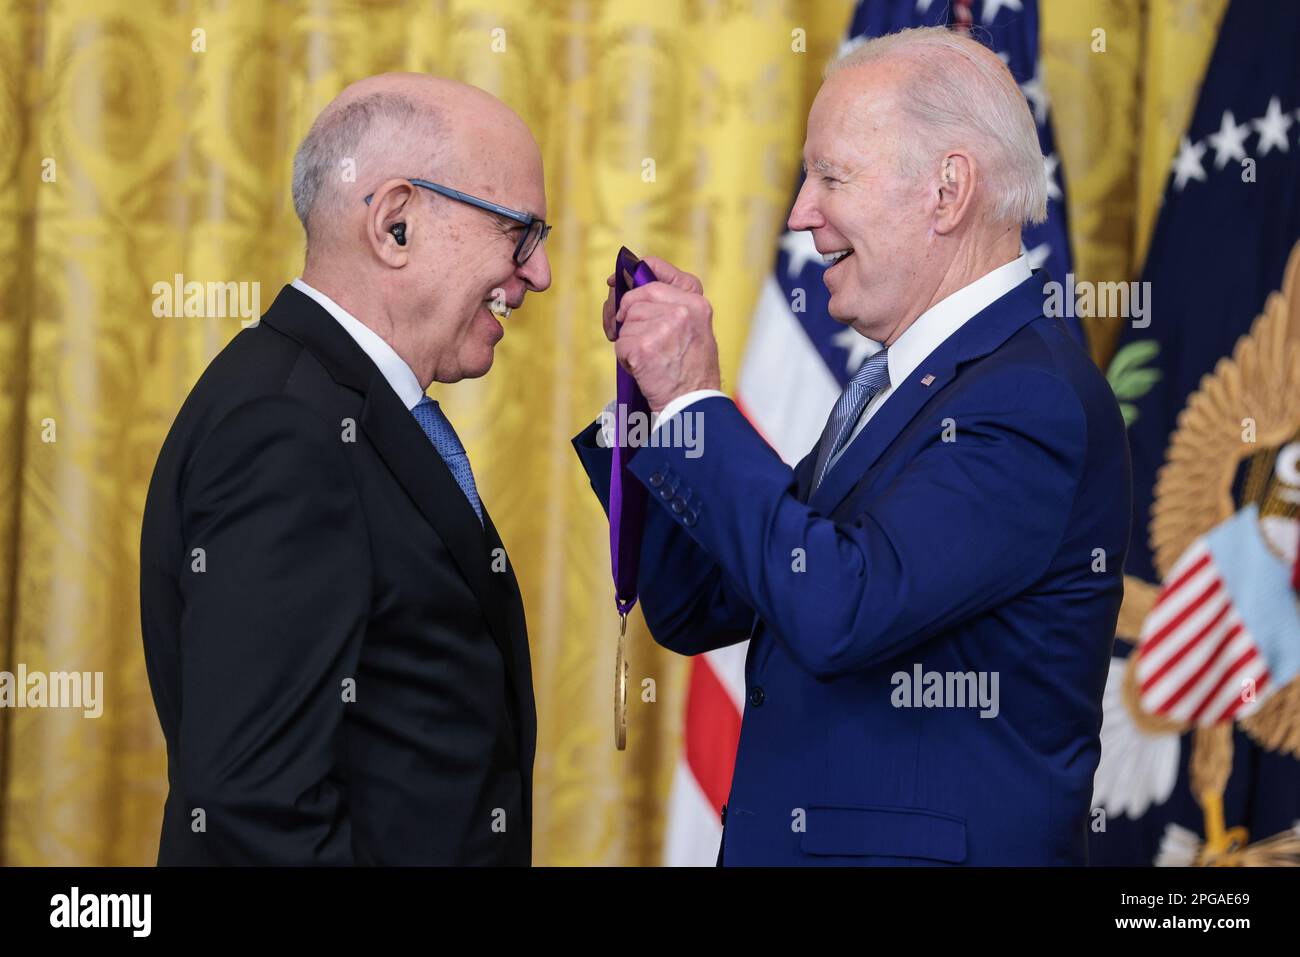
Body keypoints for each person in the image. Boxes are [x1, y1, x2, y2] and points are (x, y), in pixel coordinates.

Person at [574, 27, 1131, 865]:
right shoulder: (905, 383)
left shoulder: (1028, 396)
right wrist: (662, 411)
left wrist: (697, 394)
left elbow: (838, 608)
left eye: (830, 175)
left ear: (948, 191)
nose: (800, 213)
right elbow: (705, 607)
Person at [140, 73, 551, 864]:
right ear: (396, 223)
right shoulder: (286, 432)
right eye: (520, 233)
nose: (537, 275)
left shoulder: (319, 400)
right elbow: (252, 811)